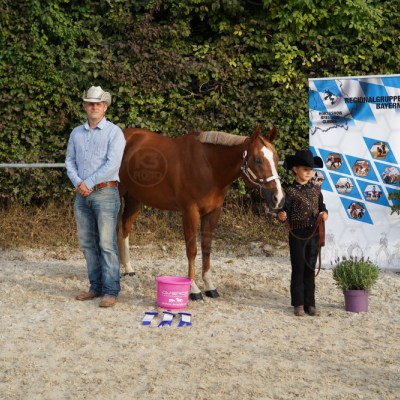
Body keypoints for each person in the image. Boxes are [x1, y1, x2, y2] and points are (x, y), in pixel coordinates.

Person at [65, 86, 126, 307]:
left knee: (107, 243)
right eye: (90, 103)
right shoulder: (76, 133)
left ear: (105, 107)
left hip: (106, 193)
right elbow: (69, 161)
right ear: (85, 106)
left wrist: (88, 183)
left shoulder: (114, 133)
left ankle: (111, 290)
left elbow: (113, 164)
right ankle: (95, 287)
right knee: (87, 243)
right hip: (82, 195)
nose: (94, 107)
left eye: (98, 104)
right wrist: (79, 183)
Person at [277, 150, 328, 317]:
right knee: (298, 267)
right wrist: (282, 216)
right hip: (297, 234)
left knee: (310, 268)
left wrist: (324, 214)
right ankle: (298, 303)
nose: (309, 173)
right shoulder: (289, 191)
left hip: (313, 233)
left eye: (310, 170)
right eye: (305, 169)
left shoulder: (316, 190)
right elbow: (284, 210)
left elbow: (322, 207)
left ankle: (310, 303)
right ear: (295, 169)